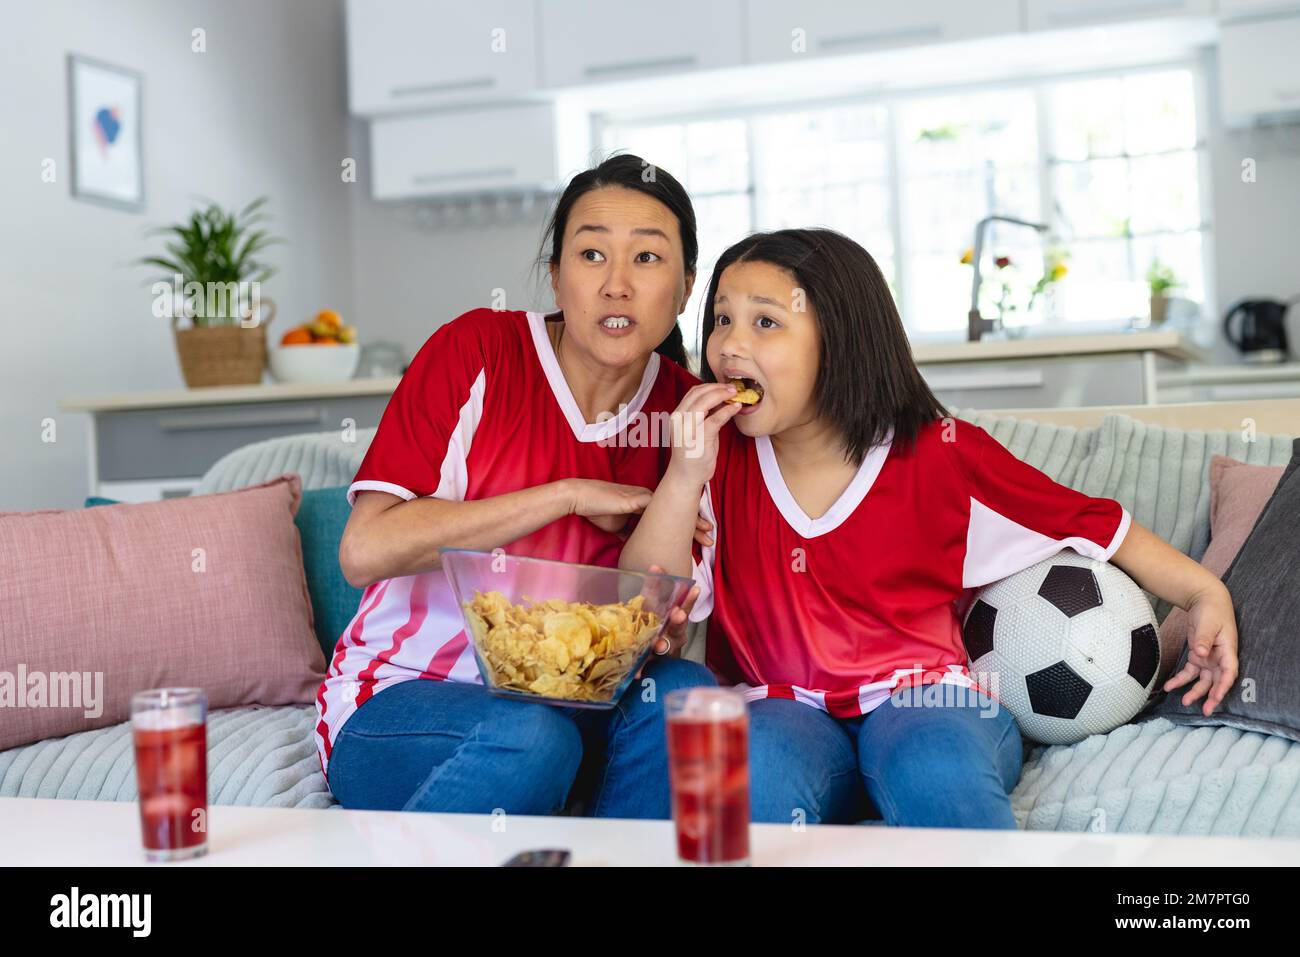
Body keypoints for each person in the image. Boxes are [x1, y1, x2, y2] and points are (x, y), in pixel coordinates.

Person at [621, 227, 1239, 828]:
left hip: (926, 701)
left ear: (842, 340)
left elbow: (1100, 526)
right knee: (756, 771)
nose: (728, 345)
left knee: (932, 764)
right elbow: (637, 605)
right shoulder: (714, 459)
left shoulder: (941, 456)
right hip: (781, 710)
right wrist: (681, 477)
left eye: (765, 321)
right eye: (721, 319)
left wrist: (1205, 594)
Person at [317, 154, 718, 818]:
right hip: (406, 694)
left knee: (686, 699)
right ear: (557, 276)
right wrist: (564, 494)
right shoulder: (475, 351)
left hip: (581, 700)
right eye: (592, 255)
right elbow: (366, 549)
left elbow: (649, 615)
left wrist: (679, 478)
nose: (617, 284)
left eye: (647, 259)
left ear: (684, 287)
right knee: (533, 734)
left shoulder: (689, 415)